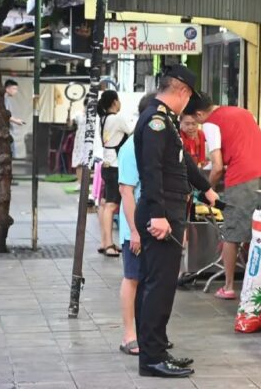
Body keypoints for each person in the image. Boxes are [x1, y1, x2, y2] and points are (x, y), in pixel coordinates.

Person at [134, 65, 218, 378]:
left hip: (166, 209)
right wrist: (158, 214)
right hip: (162, 212)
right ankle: (152, 358)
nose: (189, 105)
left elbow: (182, 161)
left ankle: (154, 348)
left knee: (154, 283)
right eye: (189, 98)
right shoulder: (157, 120)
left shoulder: (165, 118)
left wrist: (207, 189)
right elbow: (153, 169)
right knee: (159, 285)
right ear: (181, 91)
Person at [184, 92, 261, 299]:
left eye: (195, 120)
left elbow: (217, 167)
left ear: (199, 114)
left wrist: (206, 189)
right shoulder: (242, 111)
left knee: (231, 232)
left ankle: (228, 287)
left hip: (243, 176)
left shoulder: (210, 123)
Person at [117, 93, 161, 356]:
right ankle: (129, 335)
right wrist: (134, 231)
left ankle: (147, 333)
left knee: (147, 281)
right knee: (133, 279)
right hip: (136, 229)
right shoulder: (131, 147)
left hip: (152, 227)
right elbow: (126, 191)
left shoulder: (149, 144)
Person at [97, 90, 133, 257]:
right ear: (114, 102)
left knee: (105, 203)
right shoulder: (117, 118)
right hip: (115, 165)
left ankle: (104, 242)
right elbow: (131, 129)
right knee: (112, 206)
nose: (120, 104)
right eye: (118, 101)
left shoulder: (103, 118)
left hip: (106, 163)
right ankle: (109, 244)